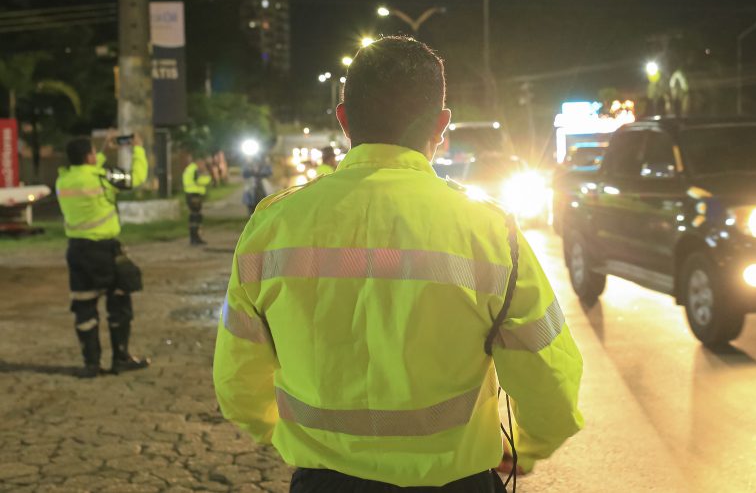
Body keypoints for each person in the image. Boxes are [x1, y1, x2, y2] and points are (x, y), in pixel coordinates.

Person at [214, 37, 583, 491]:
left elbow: (236, 384)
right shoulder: (491, 232)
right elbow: (551, 382)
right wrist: (526, 448)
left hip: (325, 483)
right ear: (442, 125)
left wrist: (288, 436)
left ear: (344, 119)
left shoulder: (271, 228)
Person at [56, 132, 151, 378]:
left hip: (77, 251)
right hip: (104, 249)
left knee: (84, 306)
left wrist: (100, 152)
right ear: (89, 156)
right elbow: (135, 178)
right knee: (119, 303)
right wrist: (138, 150)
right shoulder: (102, 177)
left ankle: (91, 364)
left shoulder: (63, 180)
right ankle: (120, 358)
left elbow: (86, 170)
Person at [182, 154, 212, 246]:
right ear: (198, 162)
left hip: (190, 194)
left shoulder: (189, 168)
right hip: (194, 195)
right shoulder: (195, 169)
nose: (203, 165)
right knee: (196, 217)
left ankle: (195, 238)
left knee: (194, 217)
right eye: (202, 163)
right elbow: (199, 181)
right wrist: (207, 176)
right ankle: (195, 239)